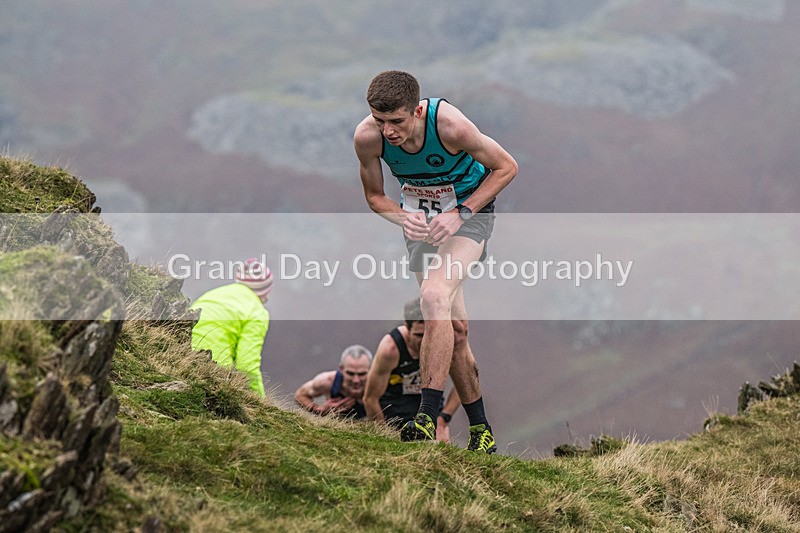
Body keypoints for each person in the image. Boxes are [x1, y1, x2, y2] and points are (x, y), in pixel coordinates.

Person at [354, 70, 518, 453]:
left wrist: (459, 212)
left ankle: (425, 417)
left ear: (417, 110)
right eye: (381, 121)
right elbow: (375, 197)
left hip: (469, 214)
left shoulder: (449, 125)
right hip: (421, 225)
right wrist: (401, 216)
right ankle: (482, 432)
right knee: (454, 329)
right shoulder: (367, 137)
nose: (388, 132)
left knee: (432, 297)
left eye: (396, 121)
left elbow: (506, 167)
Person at [363, 299, 460, 443]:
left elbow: (463, 385)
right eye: (419, 335)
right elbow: (370, 398)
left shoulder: (444, 342)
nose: (426, 340)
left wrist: (443, 419)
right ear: (407, 329)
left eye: (430, 334)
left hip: (430, 412)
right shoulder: (391, 349)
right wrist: (384, 437)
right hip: (394, 414)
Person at [190, 258, 272, 397]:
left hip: (179, 350)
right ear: (265, 291)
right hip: (213, 365)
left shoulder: (214, 294)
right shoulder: (256, 311)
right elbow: (246, 364)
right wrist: (261, 402)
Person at [294, 344, 373, 419]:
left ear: (371, 370)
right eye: (350, 373)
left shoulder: (381, 385)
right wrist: (319, 409)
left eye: (362, 374)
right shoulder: (328, 381)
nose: (356, 380)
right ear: (341, 369)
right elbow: (300, 395)